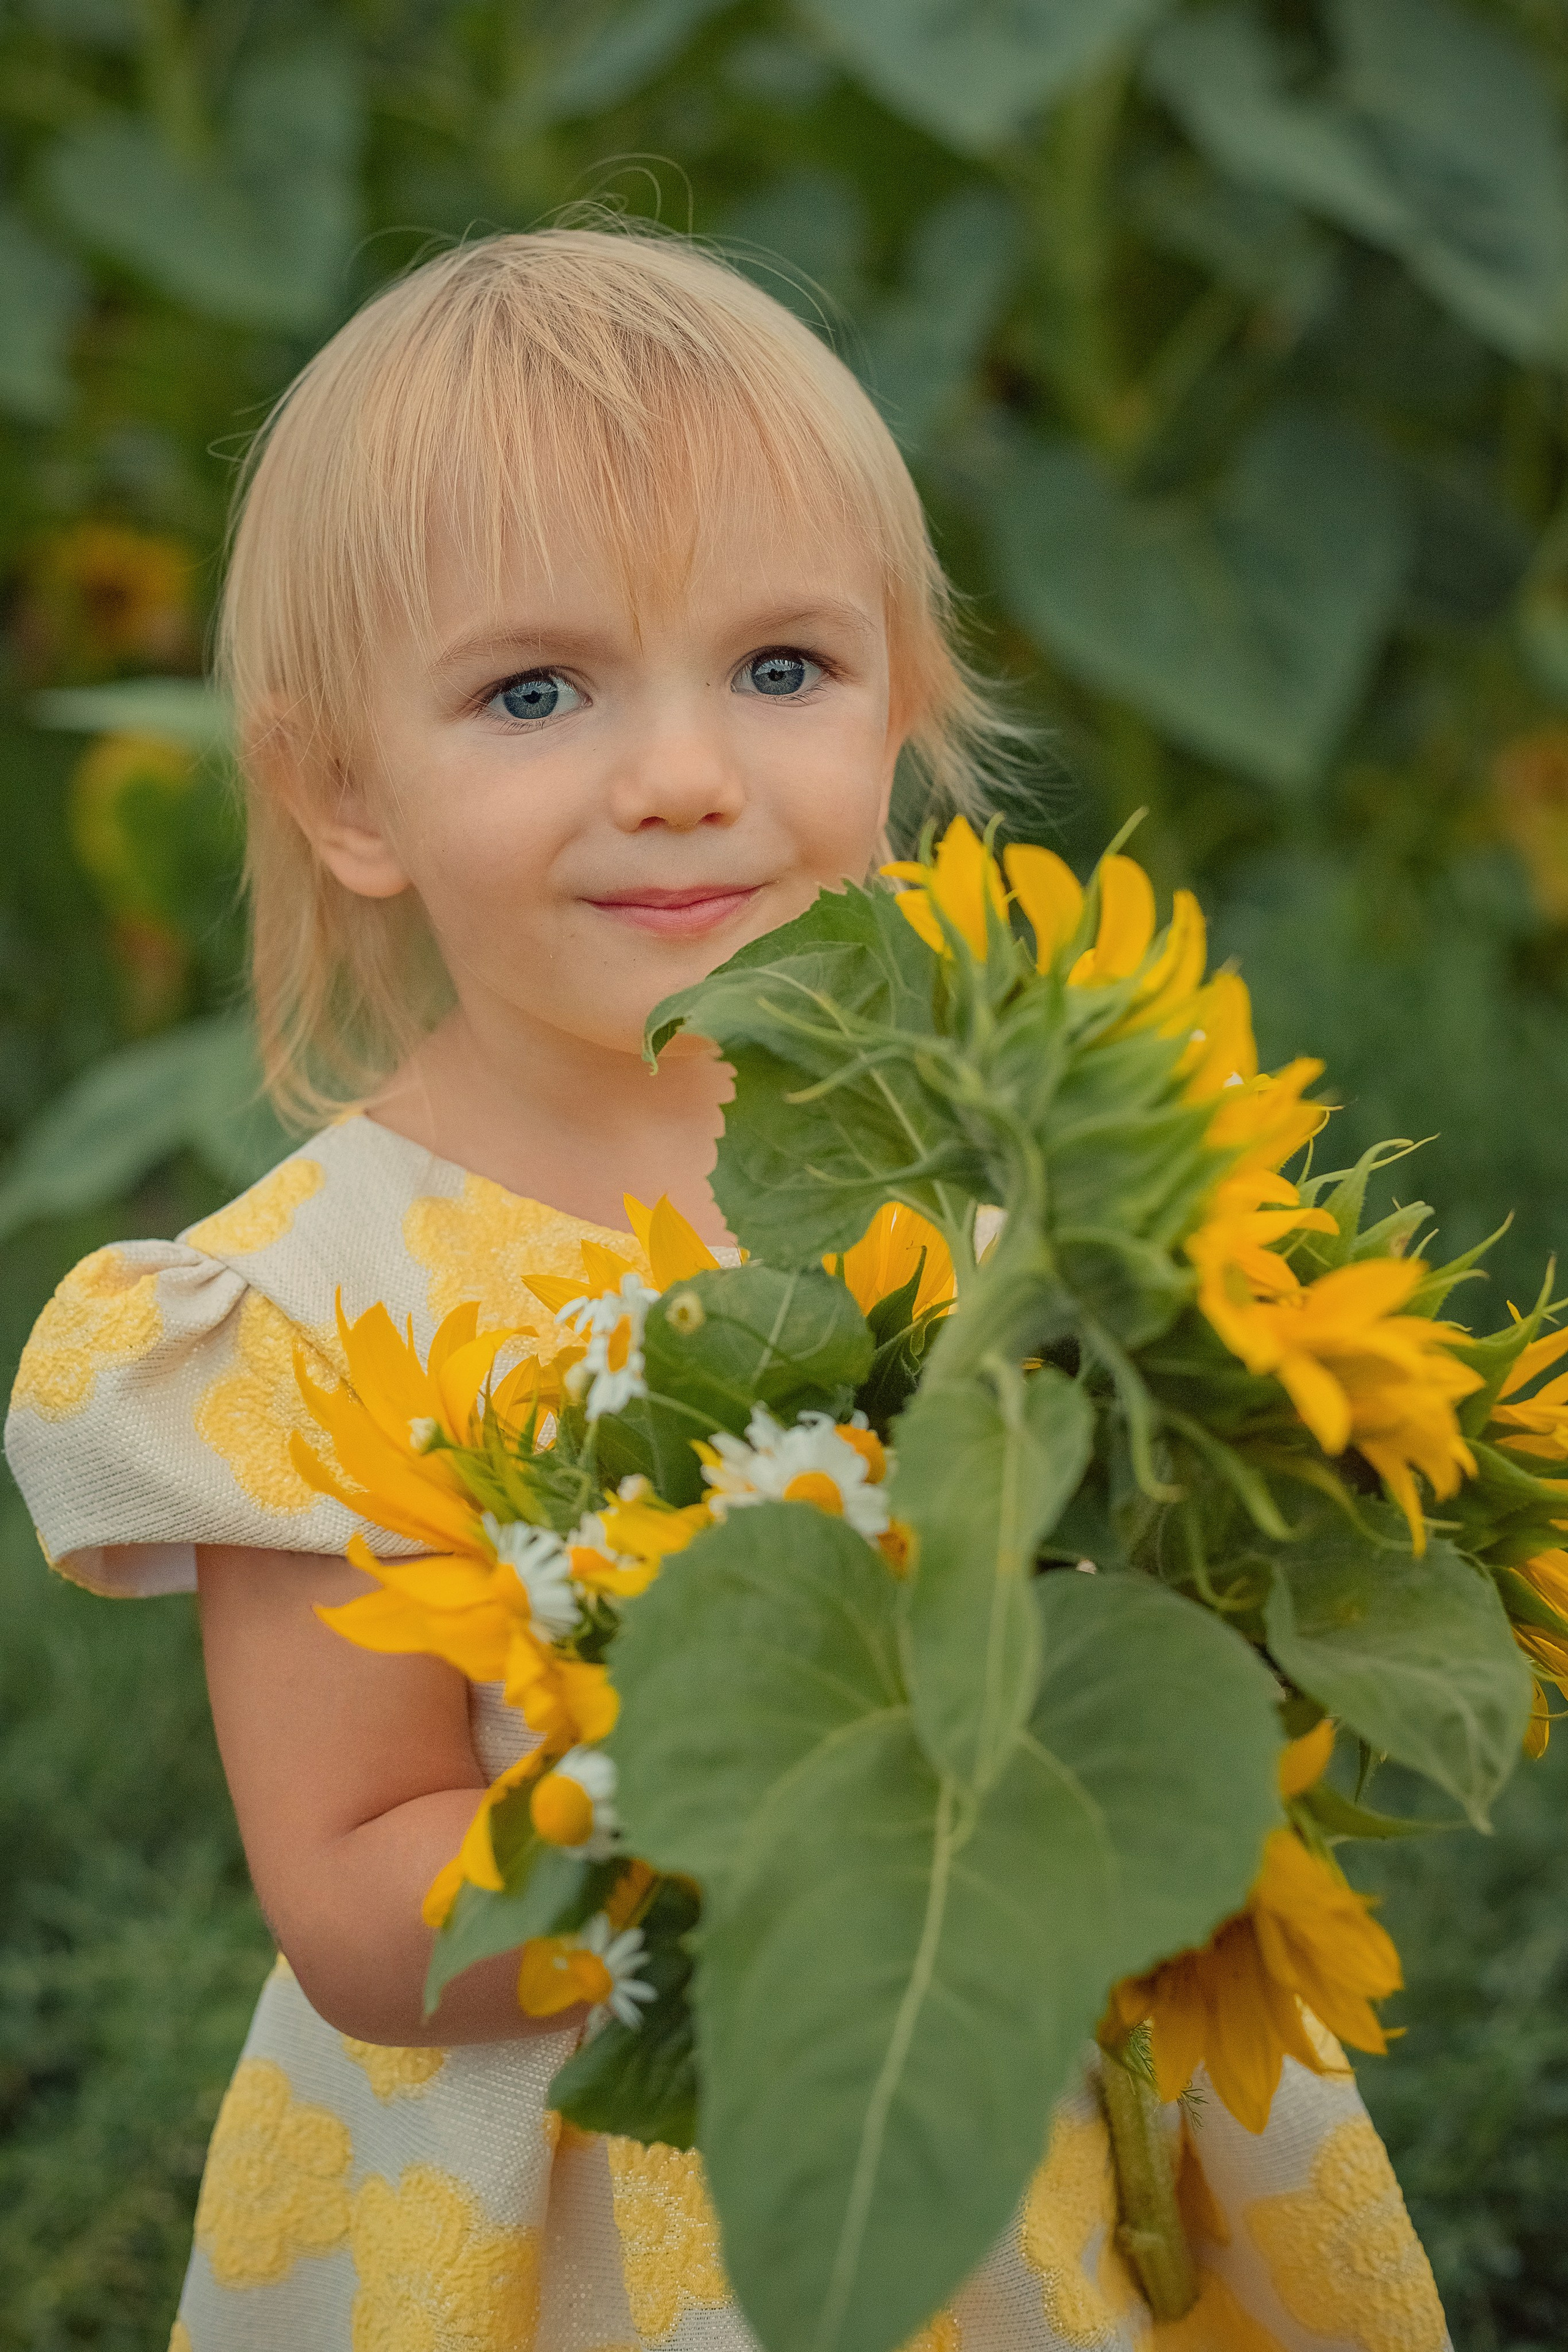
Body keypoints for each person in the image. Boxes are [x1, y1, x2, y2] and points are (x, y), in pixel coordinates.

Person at [4, 228, 1448, 2352]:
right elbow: (357, 1903)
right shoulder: (317, 1312)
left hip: (1018, 2103)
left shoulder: (994, 1177)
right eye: (535, 692)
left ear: (903, 704)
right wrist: (739, 1826)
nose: (684, 773)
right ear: (343, 792)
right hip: (595, 2198)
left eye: (781, 669)